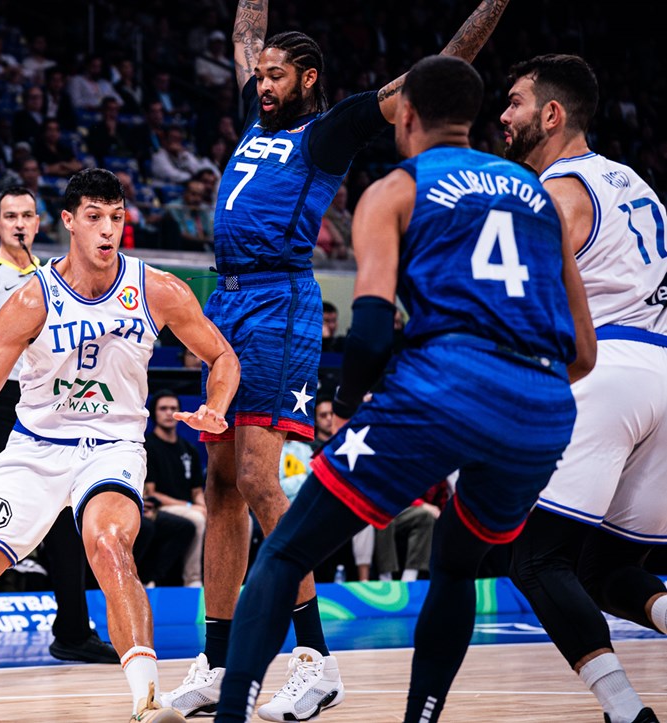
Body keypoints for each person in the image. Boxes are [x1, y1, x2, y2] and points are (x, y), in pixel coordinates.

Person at [211, 54, 596, 723]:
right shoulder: (537, 191)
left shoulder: (395, 187)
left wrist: (356, 412)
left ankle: (230, 712)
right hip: (541, 409)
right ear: (474, 119)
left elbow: (365, 330)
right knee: (454, 563)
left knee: (283, 550)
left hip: (442, 384)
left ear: (406, 116)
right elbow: (583, 351)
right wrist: (516, 392)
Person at [164, 2, 516, 719]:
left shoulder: (327, 131)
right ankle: (219, 656)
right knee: (221, 482)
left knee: (261, 477)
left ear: (308, 78)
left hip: (275, 305)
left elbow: (438, 68)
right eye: (257, 77)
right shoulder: (255, 111)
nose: (260, 84)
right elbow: (244, 33)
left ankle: (313, 658)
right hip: (224, 307)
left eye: (274, 77)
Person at [0, 168, 239, 723]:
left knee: (111, 548)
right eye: (94, 218)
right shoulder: (29, 300)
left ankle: (148, 698)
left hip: (112, 445)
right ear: (68, 222)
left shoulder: (158, 289)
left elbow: (223, 357)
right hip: (34, 451)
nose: (107, 230)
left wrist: (218, 406)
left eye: (116, 217)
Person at [501, 54, 667, 723]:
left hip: (604, 370)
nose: (502, 116)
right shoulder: (637, 185)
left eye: (513, 102)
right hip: (659, 372)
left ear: (551, 113)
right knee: (603, 571)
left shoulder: (560, 190)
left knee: (534, 558)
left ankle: (626, 713)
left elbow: (525, 294)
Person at [0, 184, 116, 668]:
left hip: (50, 408)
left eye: (27, 215)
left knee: (66, 519)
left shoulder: (58, 278)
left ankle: (73, 633)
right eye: (9, 216)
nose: (19, 223)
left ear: (41, 223)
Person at [144, 391, 207, 587]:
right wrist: (191, 506)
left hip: (189, 506)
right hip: (160, 508)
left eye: (173, 408)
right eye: (163, 409)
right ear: (154, 413)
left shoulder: (188, 449)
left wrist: (202, 506)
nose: (169, 413)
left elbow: (197, 490)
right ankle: (193, 580)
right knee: (196, 519)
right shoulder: (148, 447)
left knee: (242, 521)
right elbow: (150, 493)